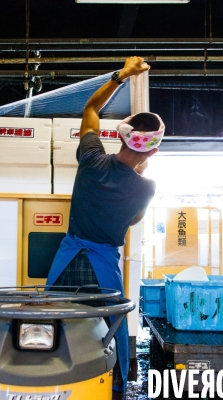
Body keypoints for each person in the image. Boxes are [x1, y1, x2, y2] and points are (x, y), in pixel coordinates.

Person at [45, 56, 164, 396]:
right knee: (106, 334)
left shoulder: (92, 157)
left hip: (67, 260)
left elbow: (91, 109)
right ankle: (109, 387)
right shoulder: (146, 188)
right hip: (104, 271)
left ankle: (56, 385)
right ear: (152, 152)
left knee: (56, 327)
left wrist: (121, 76)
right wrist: (138, 174)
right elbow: (132, 221)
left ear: (123, 135)